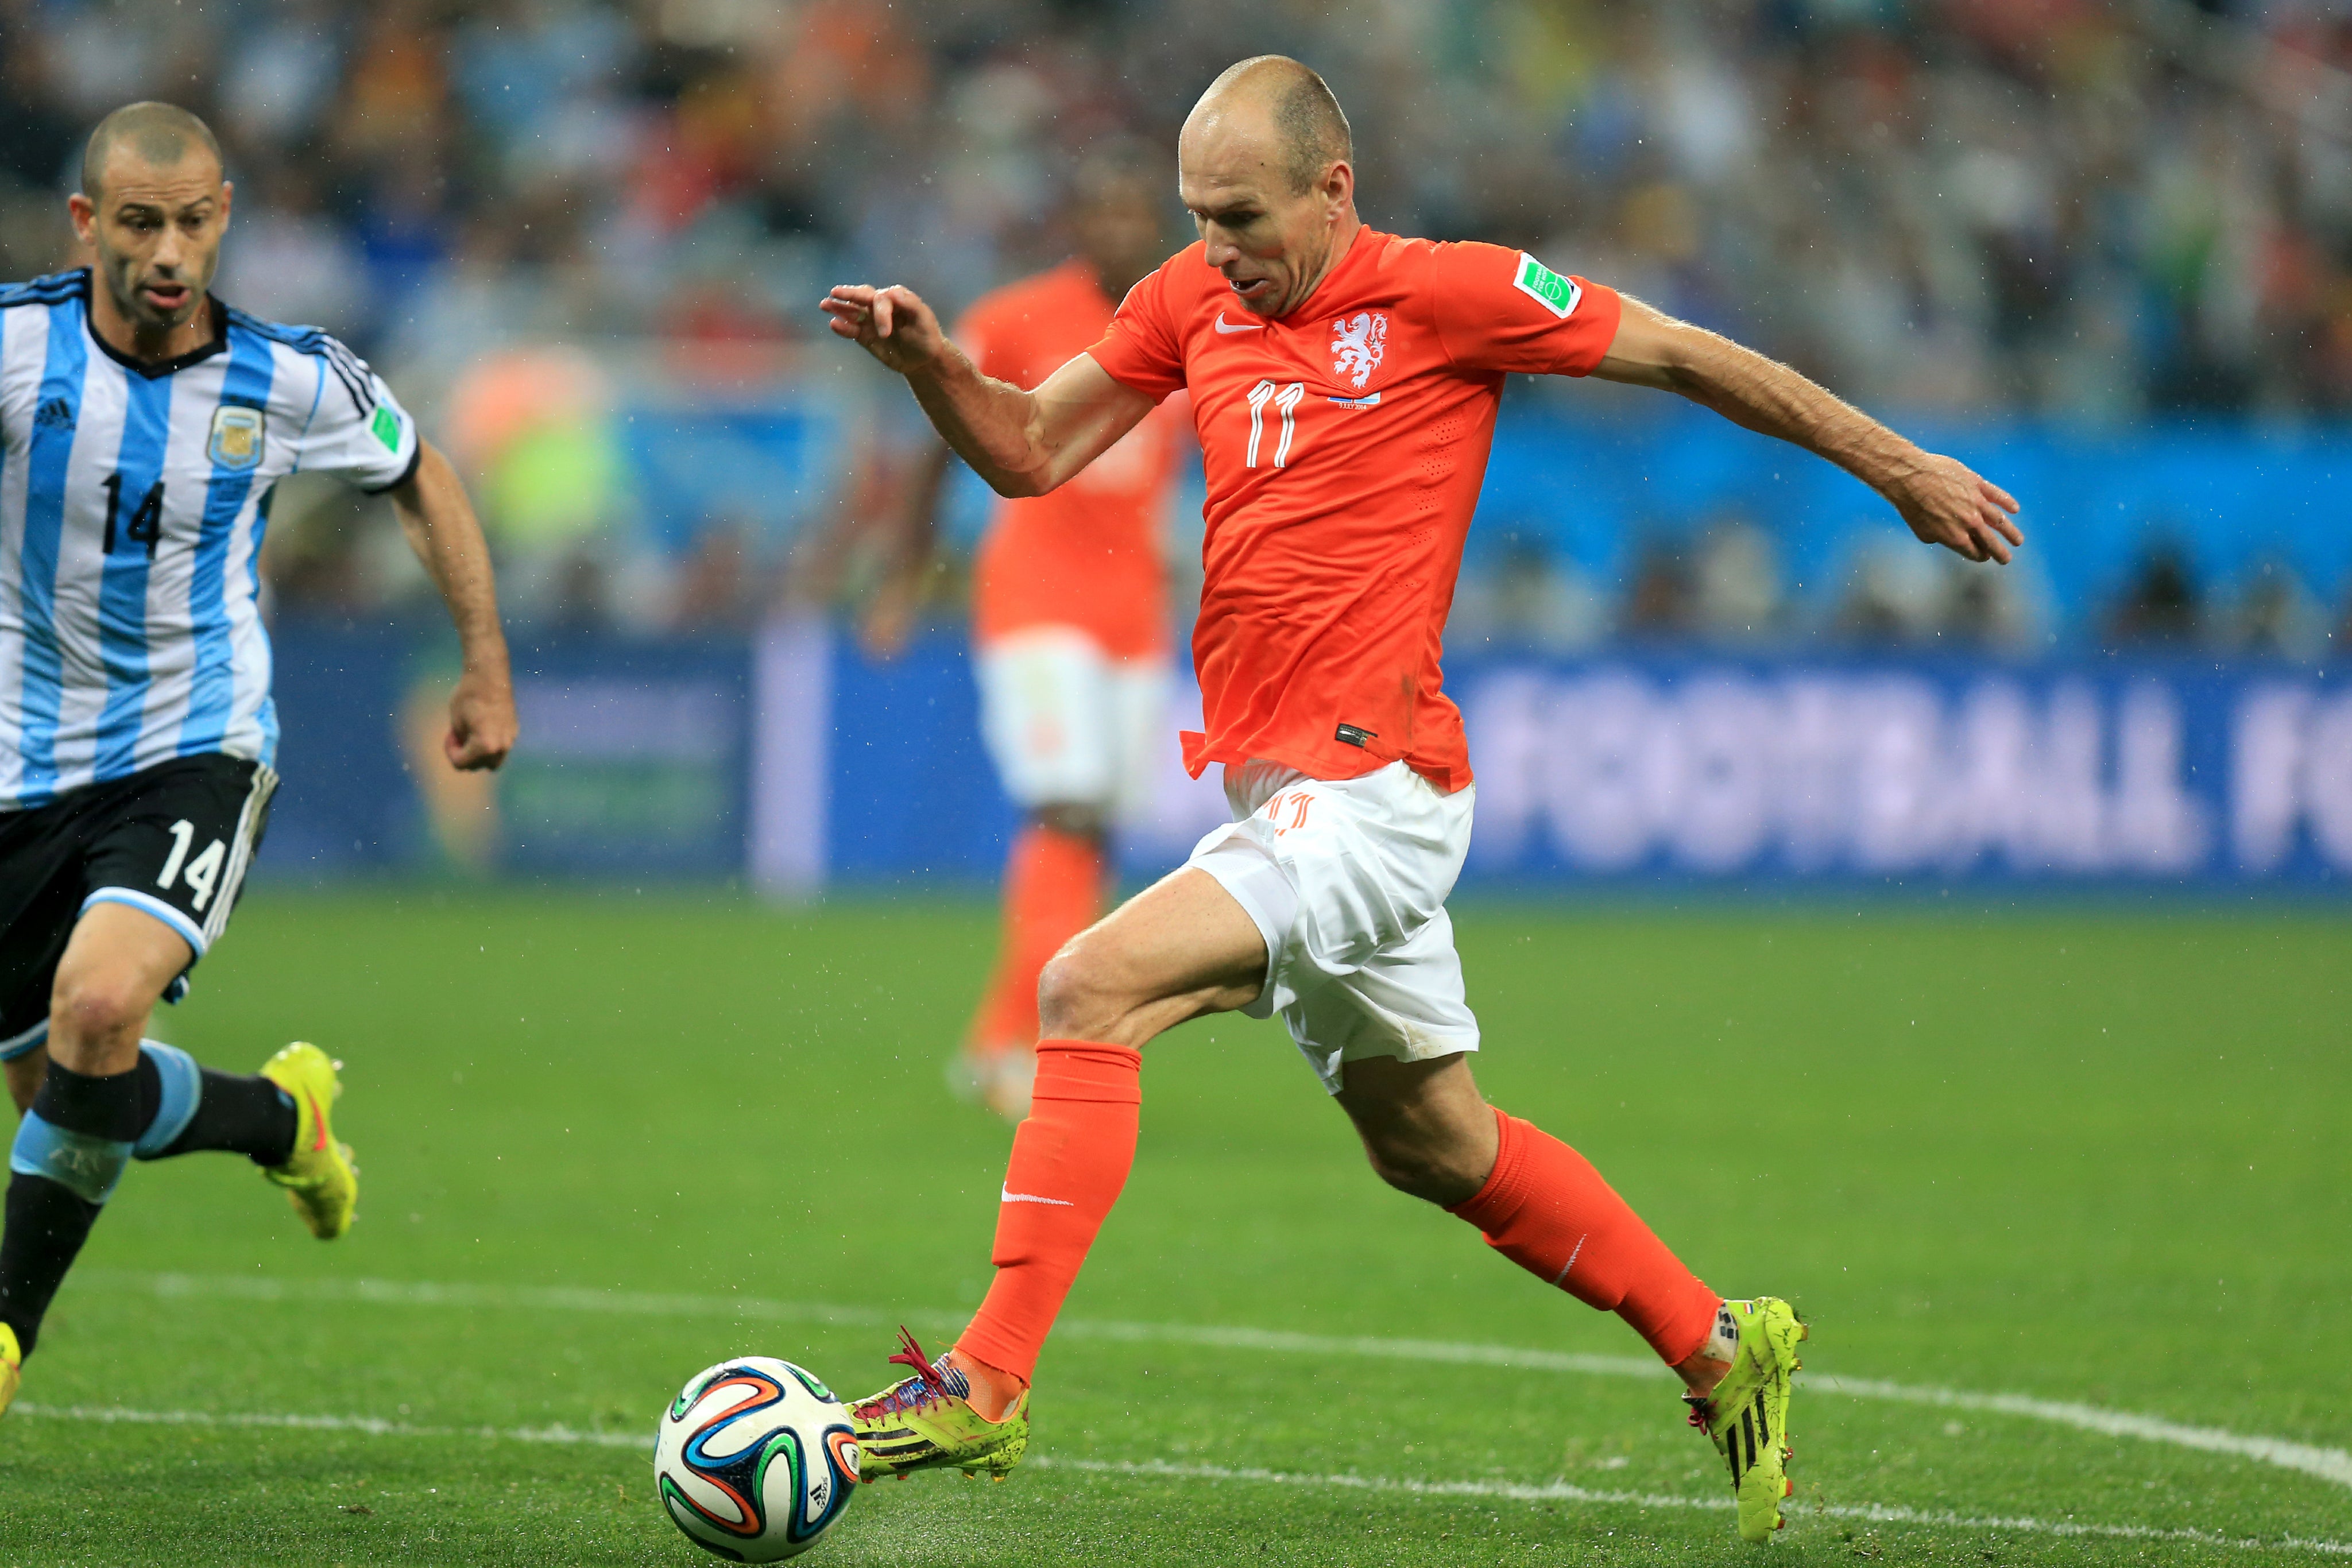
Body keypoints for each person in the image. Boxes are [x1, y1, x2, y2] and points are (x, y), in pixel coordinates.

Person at [820, 57, 2021, 1542]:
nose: (1215, 248)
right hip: (1280, 792)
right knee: (1434, 1146)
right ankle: (1722, 1343)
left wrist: (1898, 469)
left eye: (1243, 216)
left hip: (1375, 790)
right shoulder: (1188, 301)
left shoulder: (1450, 293)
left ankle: (984, 1386)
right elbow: (1025, 446)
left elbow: (1692, 356)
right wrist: (935, 364)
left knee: (1089, 988)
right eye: (1198, 217)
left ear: (1335, 187)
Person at [0, 102, 516, 1418]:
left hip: (194, 743)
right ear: (86, 224)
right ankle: (285, 1122)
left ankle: (5, 1336)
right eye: (136, 224)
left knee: (98, 1013)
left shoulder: (290, 377)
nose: (167, 253)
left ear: (224, 217)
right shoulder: (16, 350)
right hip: (19, 755)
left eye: (191, 222)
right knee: (66, 1087)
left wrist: (482, 661)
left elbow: (420, 474)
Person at [850, 148, 1187, 1122]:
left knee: (1093, 835)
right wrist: (902, 580)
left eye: (1137, 211)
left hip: (1136, 620)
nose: (1123, 228)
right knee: (1067, 810)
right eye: (1106, 210)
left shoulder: (1190, 323)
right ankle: (1033, 1047)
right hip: (1038, 607)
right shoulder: (1017, 316)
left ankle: (998, 1040)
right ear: (1078, 226)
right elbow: (934, 443)